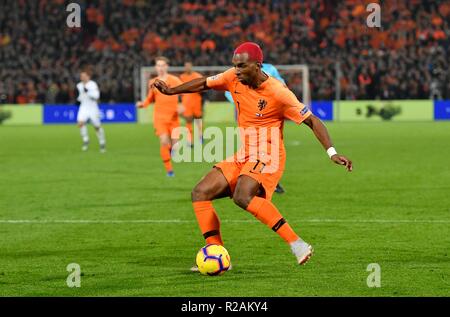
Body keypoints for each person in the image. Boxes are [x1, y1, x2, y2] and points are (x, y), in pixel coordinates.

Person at [152, 42, 352, 268]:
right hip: (245, 153)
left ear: (257, 66)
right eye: (235, 66)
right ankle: (216, 252)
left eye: (242, 66)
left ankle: (297, 244)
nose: (236, 71)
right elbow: (205, 83)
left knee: (242, 196)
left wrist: (332, 152)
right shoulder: (233, 78)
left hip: (269, 154)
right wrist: (172, 91)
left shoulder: (279, 92)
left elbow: (313, 121)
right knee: (200, 192)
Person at [225, 63, 287, 194]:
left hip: (266, 113)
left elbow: (281, 84)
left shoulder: (270, 69)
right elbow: (229, 90)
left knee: (266, 148)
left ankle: (266, 181)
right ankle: (253, 179)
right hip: (247, 112)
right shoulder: (238, 72)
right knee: (251, 146)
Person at [137, 56, 183, 177]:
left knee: (176, 147)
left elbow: (185, 92)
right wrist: (142, 104)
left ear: (167, 66)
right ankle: (169, 170)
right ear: (156, 67)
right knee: (163, 141)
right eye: (158, 65)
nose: (161, 68)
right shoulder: (153, 82)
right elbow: (150, 98)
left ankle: (168, 153)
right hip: (160, 117)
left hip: (173, 117)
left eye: (163, 65)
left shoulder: (175, 80)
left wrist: (182, 105)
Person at [76, 69, 106, 153]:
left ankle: (102, 142)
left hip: (92, 108)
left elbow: (97, 96)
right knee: (80, 123)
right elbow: (80, 96)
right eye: (81, 76)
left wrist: (88, 92)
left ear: (88, 77)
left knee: (97, 127)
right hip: (83, 107)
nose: (82, 77)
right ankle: (86, 140)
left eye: (84, 76)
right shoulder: (79, 85)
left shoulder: (92, 84)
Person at [180, 62, 204, 145]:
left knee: (198, 120)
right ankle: (189, 140)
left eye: (189, 66)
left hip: (196, 102)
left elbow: (204, 88)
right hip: (186, 103)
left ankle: (200, 136)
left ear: (191, 67)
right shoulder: (182, 77)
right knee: (188, 121)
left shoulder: (198, 76)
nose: (187, 68)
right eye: (186, 66)